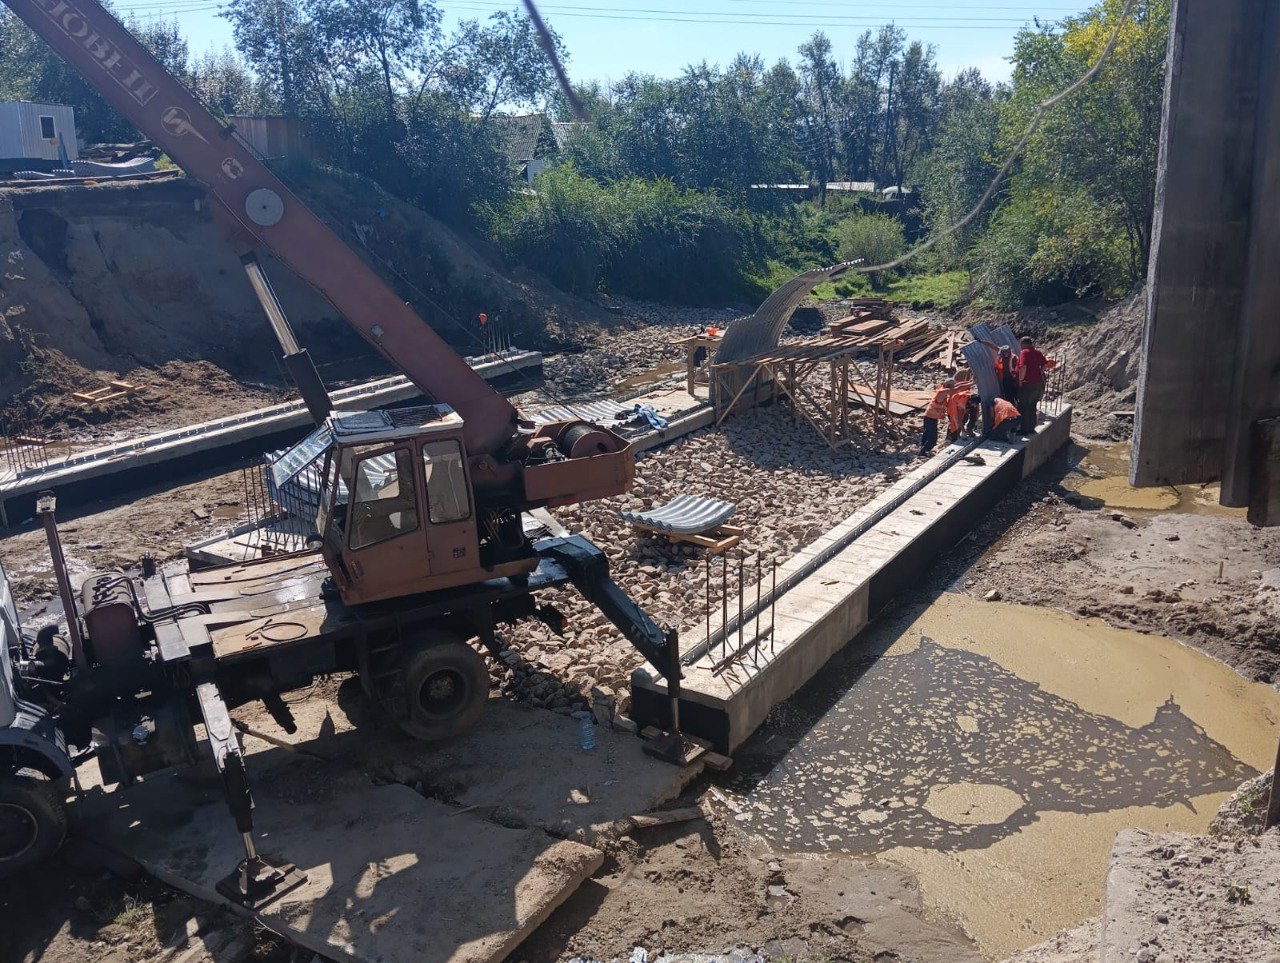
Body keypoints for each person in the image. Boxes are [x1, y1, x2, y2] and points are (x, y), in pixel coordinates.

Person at [1016, 336, 1056, 434]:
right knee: (1032, 405)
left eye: (1021, 345)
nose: (1020, 347)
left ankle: (1024, 429)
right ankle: (1031, 428)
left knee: (1024, 406)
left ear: (1024, 344)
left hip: (1028, 383)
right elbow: (1045, 364)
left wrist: (1021, 380)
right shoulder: (1038, 352)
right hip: (1038, 384)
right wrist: (1040, 373)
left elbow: (1023, 367)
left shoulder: (1024, 352)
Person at [921, 379, 955, 455]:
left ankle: (923, 450)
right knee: (932, 439)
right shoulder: (942, 392)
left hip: (931, 418)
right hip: (930, 418)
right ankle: (923, 452)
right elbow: (954, 391)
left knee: (927, 435)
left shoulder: (943, 391)